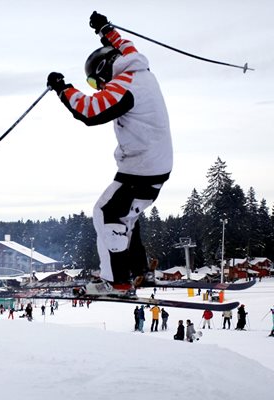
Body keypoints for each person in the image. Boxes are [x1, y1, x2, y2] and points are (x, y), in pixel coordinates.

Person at [47, 11, 173, 295]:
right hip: (152, 162)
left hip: (141, 167)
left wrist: (62, 88)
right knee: (127, 217)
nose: (98, 85)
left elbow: (89, 111)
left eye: (94, 80)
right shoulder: (137, 66)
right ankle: (140, 271)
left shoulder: (124, 84)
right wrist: (105, 29)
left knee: (104, 214)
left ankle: (116, 281)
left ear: (105, 69)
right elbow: (124, 46)